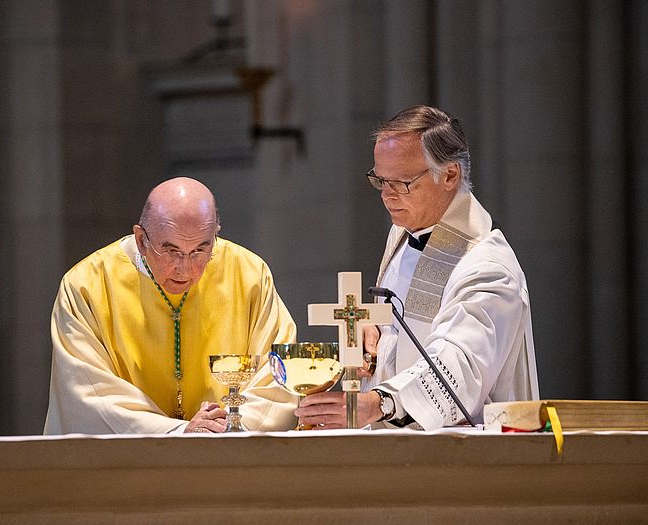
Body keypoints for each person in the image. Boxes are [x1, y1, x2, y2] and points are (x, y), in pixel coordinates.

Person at [296, 105, 539, 430]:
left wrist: (378, 402)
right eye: (380, 180)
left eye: (402, 182)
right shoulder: (402, 236)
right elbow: (408, 331)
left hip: (463, 459)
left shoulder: (488, 267)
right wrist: (376, 337)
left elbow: (459, 367)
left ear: (450, 175)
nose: (386, 195)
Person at [44, 177, 297, 434]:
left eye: (201, 249)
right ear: (141, 240)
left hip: (227, 459)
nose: (185, 269)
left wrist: (227, 430)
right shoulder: (87, 285)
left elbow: (276, 377)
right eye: (171, 251)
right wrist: (177, 432)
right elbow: (88, 393)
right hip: (133, 467)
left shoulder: (249, 274)